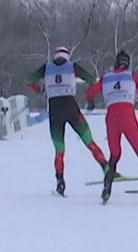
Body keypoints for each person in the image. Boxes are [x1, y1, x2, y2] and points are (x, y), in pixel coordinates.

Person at [87, 49, 138, 203]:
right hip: (127, 115)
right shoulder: (131, 76)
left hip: (111, 117)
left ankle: (107, 188)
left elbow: (91, 92)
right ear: (127, 64)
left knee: (115, 155)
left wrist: (91, 102)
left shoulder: (106, 78)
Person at [25, 46, 109, 196]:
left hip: (55, 110)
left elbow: (29, 80)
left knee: (59, 151)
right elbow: (91, 80)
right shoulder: (72, 66)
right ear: (67, 57)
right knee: (89, 142)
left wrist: (41, 90)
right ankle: (106, 167)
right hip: (71, 107)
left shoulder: (46, 67)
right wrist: (90, 97)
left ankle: (60, 183)